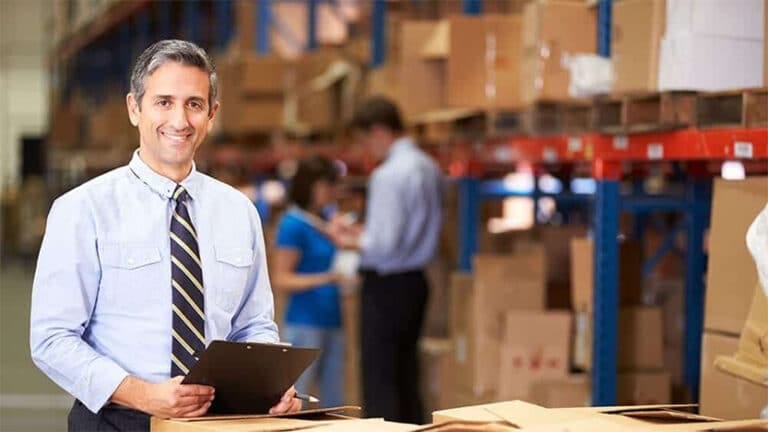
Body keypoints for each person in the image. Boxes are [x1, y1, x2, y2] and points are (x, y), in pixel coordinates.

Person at [29, 40, 300, 432]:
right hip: (117, 420)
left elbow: (253, 326)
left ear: (212, 115)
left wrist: (272, 383)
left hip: (220, 422)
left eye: (194, 104)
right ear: (134, 109)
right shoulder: (83, 210)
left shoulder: (238, 212)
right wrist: (143, 394)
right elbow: (51, 339)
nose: (180, 120)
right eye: (164, 102)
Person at [330, 97, 443, 423]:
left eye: (365, 140)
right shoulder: (428, 167)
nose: (367, 149)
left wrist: (348, 239)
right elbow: (405, 231)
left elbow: (382, 245)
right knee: (406, 375)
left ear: (379, 131)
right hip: (416, 282)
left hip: (386, 287)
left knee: (380, 380)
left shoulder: (389, 175)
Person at [272, 155, 345, 408]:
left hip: (332, 319)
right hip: (304, 322)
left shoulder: (326, 221)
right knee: (295, 398)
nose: (333, 192)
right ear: (311, 186)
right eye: (328, 185)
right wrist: (326, 278)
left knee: (334, 399)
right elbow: (282, 278)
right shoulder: (293, 225)